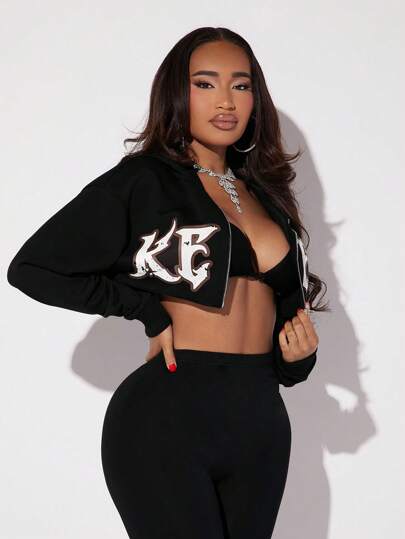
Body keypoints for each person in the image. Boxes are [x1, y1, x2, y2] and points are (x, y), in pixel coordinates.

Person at [7, 27, 329, 539]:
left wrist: (299, 357)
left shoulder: (268, 196)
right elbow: (34, 268)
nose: (226, 101)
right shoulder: (145, 180)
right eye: (205, 84)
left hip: (260, 421)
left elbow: (286, 333)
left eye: (241, 85)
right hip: (168, 419)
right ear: (178, 93)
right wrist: (146, 310)